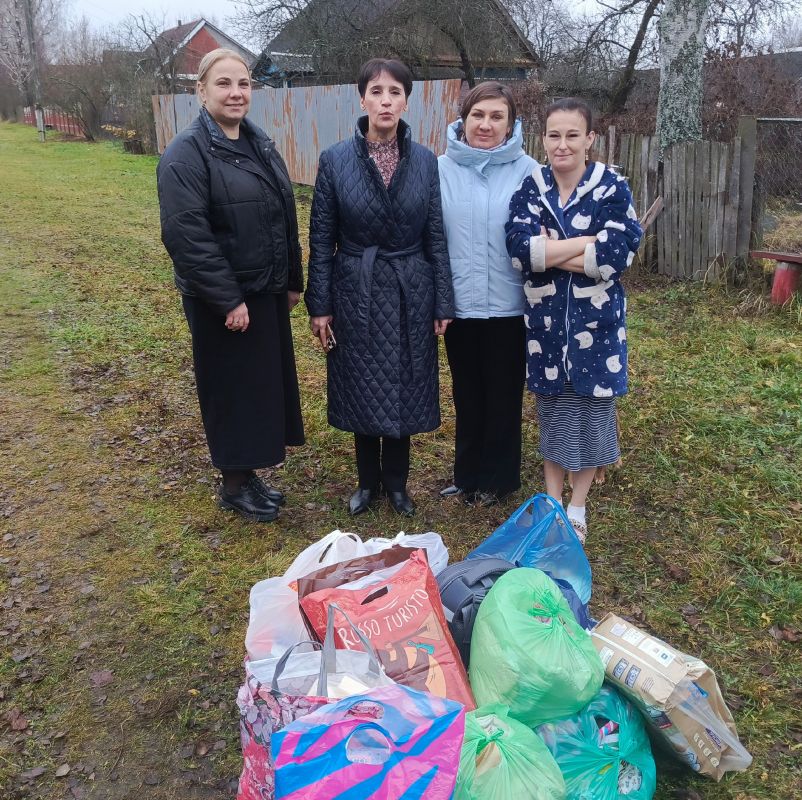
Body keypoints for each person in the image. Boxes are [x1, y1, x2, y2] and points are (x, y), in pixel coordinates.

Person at [157, 48, 305, 523]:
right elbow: (187, 234)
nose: (235, 93)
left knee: (258, 388)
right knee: (230, 390)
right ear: (200, 90)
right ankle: (234, 485)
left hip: (262, 290)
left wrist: (291, 280)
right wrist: (228, 298)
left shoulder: (258, 142)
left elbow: (284, 214)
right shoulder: (186, 154)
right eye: (223, 84)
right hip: (223, 301)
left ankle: (248, 474)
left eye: (242, 83)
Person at [305, 58, 454, 517]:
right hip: (356, 289)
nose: (386, 100)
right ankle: (366, 484)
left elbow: (435, 235)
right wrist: (321, 305)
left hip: (411, 289)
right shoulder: (335, 160)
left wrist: (442, 300)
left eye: (394, 92)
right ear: (363, 98)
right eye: (377, 91)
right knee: (361, 385)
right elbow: (321, 236)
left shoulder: (426, 161)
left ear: (407, 100)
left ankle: (398, 485)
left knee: (405, 386)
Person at [505, 98, 642, 541]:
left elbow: (615, 256)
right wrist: (584, 246)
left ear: (589, 139)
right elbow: (519, 251)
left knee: (592, 414)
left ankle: (577, 507)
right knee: (554, 411)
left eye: (571, 135)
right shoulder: (532, 188)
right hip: (546, 327)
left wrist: (552, 251)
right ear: (542, 139)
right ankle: (551, 505)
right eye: (553, 135)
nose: (561, 145)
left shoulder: (612, 188)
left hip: (596, 327)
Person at [437, 82, 538, 507]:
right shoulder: (439, 169)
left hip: (509, 303)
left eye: (497, 117)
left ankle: (498, 480)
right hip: (459, 303)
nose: (486, 124)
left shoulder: (529, 171)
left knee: (503, 393)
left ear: (511, 124)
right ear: (464, 118)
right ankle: (466, 476)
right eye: (479, 115)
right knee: (467, 391)